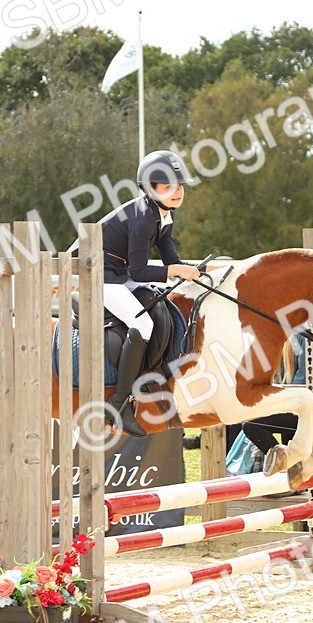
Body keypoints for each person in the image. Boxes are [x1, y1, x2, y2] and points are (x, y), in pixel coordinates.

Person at [96, 150, 202, 437]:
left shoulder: (163, 216)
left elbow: (172, 262)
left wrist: (202, 271)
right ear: (148, 188)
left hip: (120, 275)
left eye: (179, 185)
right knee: (143, 322)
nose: (177, 191)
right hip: (100, 278)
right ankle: (118, 404)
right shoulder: (144, 220)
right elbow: (141, 271)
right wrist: (179, 272)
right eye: (167, 186)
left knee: (161, 308)